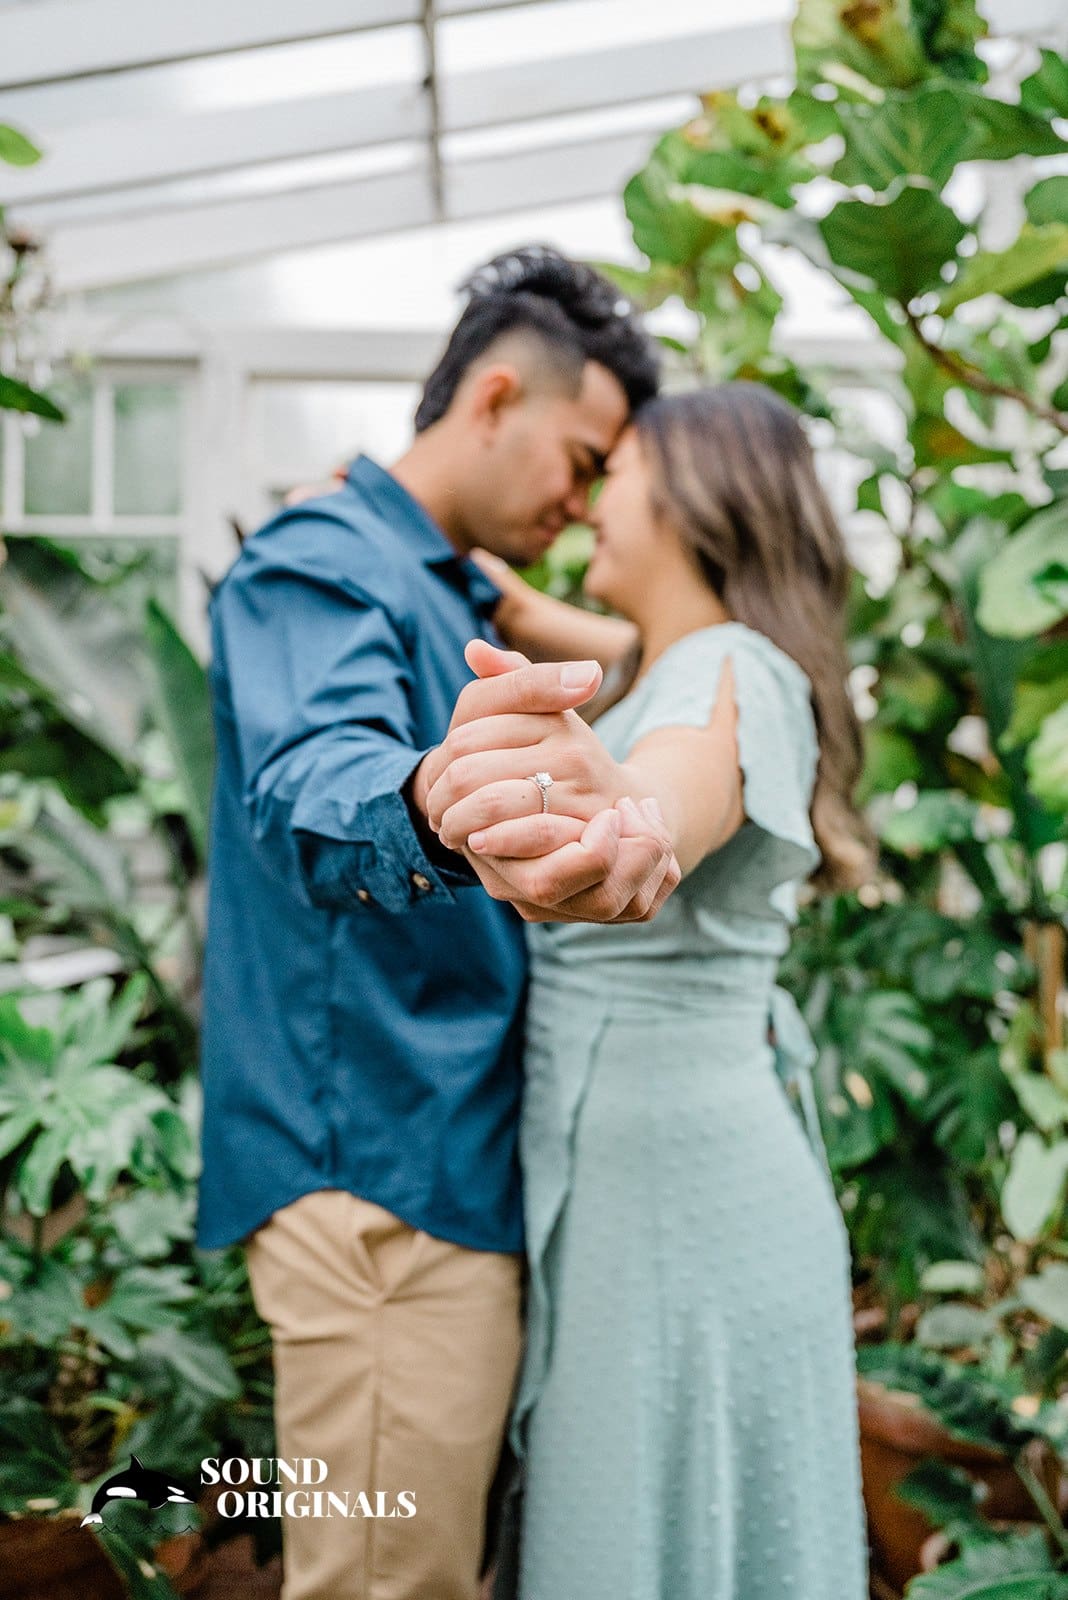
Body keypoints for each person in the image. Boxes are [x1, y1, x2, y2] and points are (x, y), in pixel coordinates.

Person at [196, 246, 678, 1600]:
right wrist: (430, 793)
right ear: (499, 395)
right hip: (378, 1181)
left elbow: (628, 645)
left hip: (431, 1168)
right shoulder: (321, 563)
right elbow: (309, 782)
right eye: (583, 462)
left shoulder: (449, 585)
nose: (582, 506)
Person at [421, 383, 874, 1598]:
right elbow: (625, 658)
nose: (588, 499)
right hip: (668, 1186)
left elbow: (684, 773)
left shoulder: (731, 673)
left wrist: (635, 828)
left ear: (689, 492)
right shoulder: (671, 656)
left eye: (613, 469)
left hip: (683, 1219)